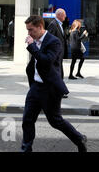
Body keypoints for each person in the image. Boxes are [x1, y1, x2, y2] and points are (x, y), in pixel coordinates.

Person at [21, 15, 87, 152]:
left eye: (31, 30)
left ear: (40, 27)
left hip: (50, 88)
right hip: (36, 87)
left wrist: (32, 47)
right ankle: (26, 149)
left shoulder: (54, 41)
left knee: (55, 121)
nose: (29, 33)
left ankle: (79, 138)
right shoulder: (36, 40)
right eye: (27, 30)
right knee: (27, 120)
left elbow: (46, 61)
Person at [47, 8, 68, 80]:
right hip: (55, 53)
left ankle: (59, 82)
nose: (65, 16)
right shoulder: (53, 24)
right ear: (59, 15)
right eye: (64, 15)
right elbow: (49, 39)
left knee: (59, 68)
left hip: (59, 52)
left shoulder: (60, 24)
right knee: (56, 69)